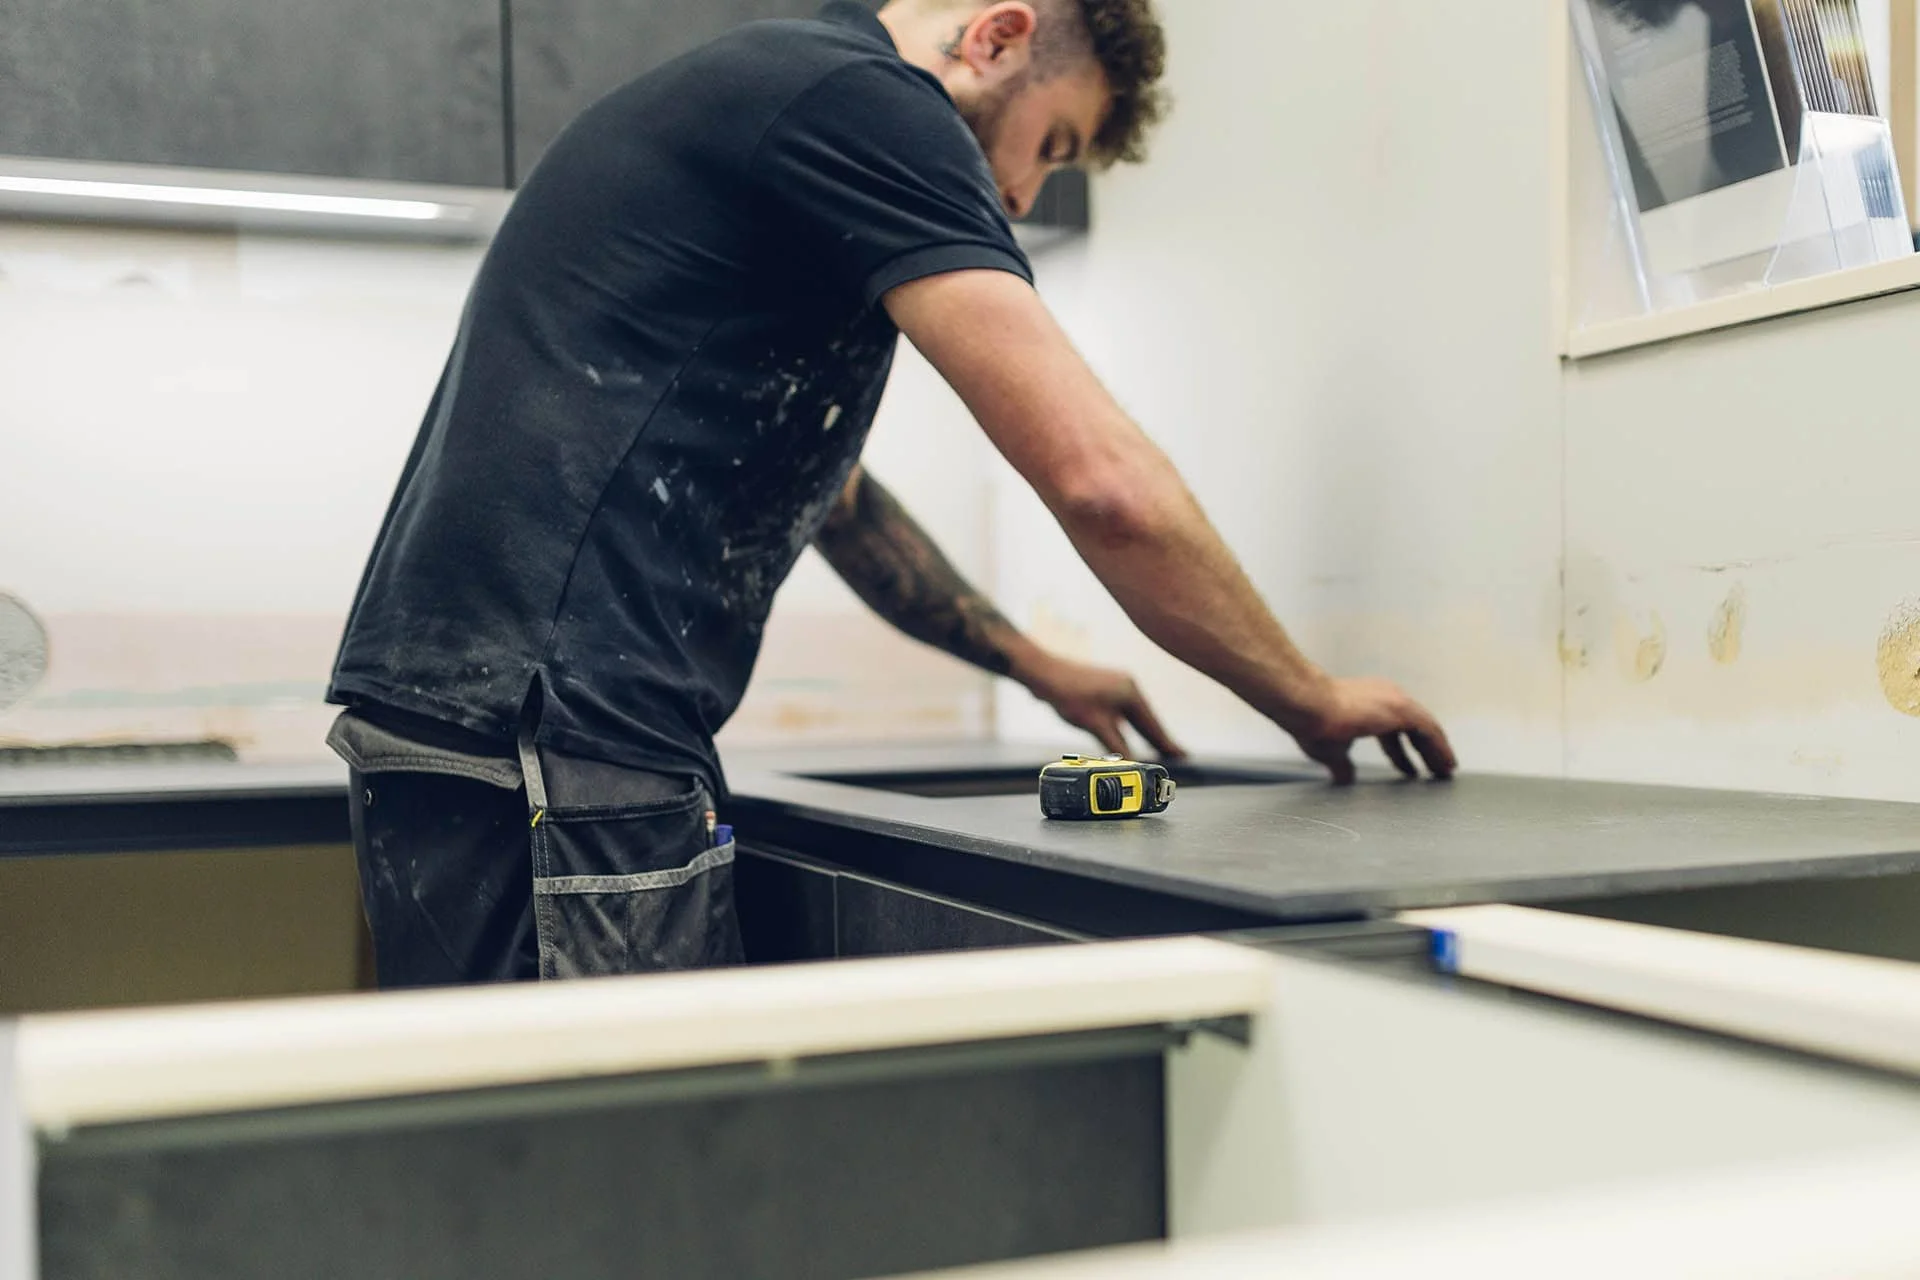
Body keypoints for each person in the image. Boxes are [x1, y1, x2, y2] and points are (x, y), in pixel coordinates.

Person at [325, 0, 1457, 989]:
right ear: (999, 37)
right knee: (612, 1184)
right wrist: (1309, 697)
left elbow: (839, 502)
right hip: (555, 734)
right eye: (1050, 144)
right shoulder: (871, 106)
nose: (1020, 192)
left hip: (481, 721)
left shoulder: (789, 98)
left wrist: (1036, 663)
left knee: (523, 1170)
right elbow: (1104, 484)